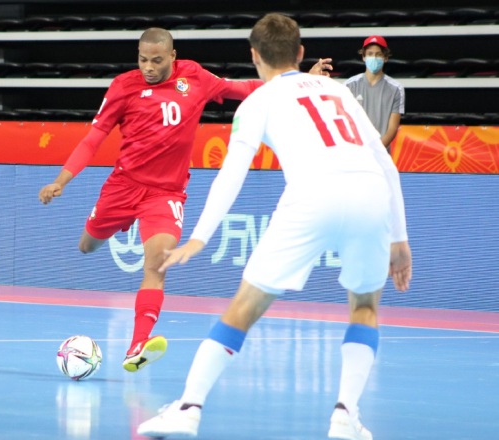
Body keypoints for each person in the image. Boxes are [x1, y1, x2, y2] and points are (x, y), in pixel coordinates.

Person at [137, 13, 411, 440]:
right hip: (371, 194)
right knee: (365, 307)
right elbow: (385, 163)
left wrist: (199, 236)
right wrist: (401, 237)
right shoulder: (338, 90)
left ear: (254, 56)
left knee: (244, 307)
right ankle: (345, 416)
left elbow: (232, 172)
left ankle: (188, 408)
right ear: (301, 54)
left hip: (312, 195)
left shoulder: (256, 102)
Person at [38, 27, 332, 373]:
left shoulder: (194, 76)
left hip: (164, 194)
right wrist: (61, 180)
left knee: (157, 265)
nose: (148, 67)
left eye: (157, 60)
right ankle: (120, 223)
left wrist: (297, 81)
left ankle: (137, 346)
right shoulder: (123, 86)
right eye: (143, 59)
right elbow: (93, 138)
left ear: (173, 56)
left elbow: (244, 89)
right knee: (87, 246)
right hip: (123, 186)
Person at [344, 35, 404, 153]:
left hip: (382, 155)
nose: (374, 57)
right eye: (370, 54)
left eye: (378, 54)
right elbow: (345, 122)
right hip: (355, 153)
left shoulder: (396, 89)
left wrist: (376, 151)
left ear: (385, 58)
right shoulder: (348, 85)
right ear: (364, 57)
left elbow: (392, 129)